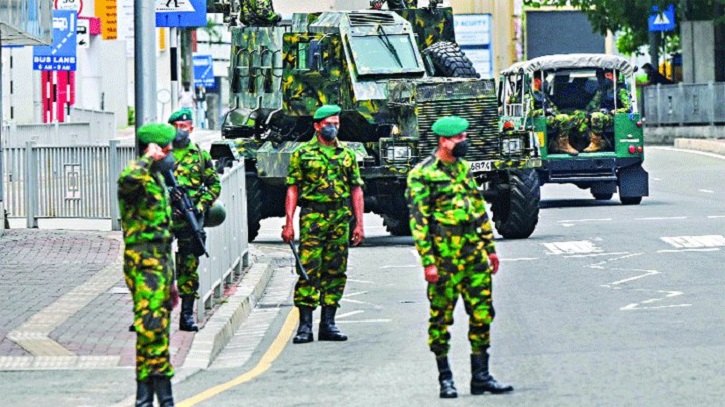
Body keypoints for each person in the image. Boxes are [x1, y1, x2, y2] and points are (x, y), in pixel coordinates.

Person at [406, 116, 513, 399]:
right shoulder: (423, 174)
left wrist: (490, 248)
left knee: (482, 315)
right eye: (460, 139)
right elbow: (419, 222)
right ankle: (446, 379)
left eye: (465, 137)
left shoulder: (464, 169)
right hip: (445, 260)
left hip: (474, 256)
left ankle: (481, 377)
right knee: (441, 320)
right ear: (444, 141)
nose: (464, 143)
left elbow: (478, 210)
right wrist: (428, 261)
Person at [281, 104, 365, 344]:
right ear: (317, 126)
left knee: (335, 270)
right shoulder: (302, 154)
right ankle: (305, 326)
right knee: (308, 269)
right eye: (329, 124)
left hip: (340, 217)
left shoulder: (347, 154)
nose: (333, 128)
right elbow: (293, 189)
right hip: (313, 217)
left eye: (336, 124)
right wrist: (289, 224)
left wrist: (359, 224)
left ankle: (328, 323)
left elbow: (355, 189)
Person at [118, 123, 178, 407]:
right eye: (166, 149)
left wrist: (173, 281)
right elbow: (126, 178)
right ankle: (161, 398)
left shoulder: (157, 180)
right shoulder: (137, 176)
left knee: (153, 330)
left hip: (160, 266)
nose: (171, 155)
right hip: (144, 266)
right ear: (153, 149)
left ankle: (147, 398)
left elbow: (166, 236)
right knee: (152, 329)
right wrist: (147, 158)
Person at [167, 108, 221, 332]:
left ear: (191, 128)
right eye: (177, 127)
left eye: (185, 127)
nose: (181, 131)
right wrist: (167, 196)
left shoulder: (200, 155)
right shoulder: (162, 155)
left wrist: (199, 206)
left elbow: (214, 184)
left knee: (189, 267)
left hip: (190, 219)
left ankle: (187, 315)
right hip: (165, 218)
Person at [585, 69, 632, 152]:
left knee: (596, 116)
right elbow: (592, 105)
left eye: (609, 75)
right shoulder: (603, 90)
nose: (607, 78)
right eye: (605, 76)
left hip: (615, 117)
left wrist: (614, 111)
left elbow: (628, 108)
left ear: (616, 77)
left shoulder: (620, 90)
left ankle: (597, 143)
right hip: (603, 115)